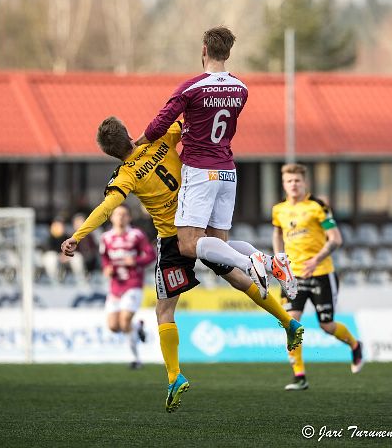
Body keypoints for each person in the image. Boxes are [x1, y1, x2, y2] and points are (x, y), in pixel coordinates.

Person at [61, 116, 304, 412]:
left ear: (108, 152)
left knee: (164, 310)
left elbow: (106, 209)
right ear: (127, 133)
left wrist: (77, 236)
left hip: (172, 240)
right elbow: (188, 122)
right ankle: (287, 320)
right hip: (197, 222)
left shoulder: (124, 175)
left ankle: (175, 376)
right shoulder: (158, 139)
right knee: (234, 272)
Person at [135, 26, 296, 301]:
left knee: (187, 244)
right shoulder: (241, 89)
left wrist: (137, 143)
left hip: (200, 170)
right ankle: (270, 263)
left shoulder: (191, 88)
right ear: (229, 53)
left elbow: (160, 124)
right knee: (217, 245)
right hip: (227, 170)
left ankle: (251, 263)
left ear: (204, 50)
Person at [272, 163, 364, 391]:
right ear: (284, 184)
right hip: (293, 276)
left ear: (304, 183)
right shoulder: (279, 210)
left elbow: (336, 239)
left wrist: (316, 259)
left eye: (297, 181)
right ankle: (300, 376)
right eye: (289, 181)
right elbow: (277, 232)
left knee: (327, 326)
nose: (293, 185)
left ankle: (354, 344)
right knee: (291, 323)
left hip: (322, 273)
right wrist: (278, 257)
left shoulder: (317, 207)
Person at [100, 204, 156, 369]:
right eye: (117, 214)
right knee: (113, 326)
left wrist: (137, 262)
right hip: (115, 286)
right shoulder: (106, 238)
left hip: (133, 284)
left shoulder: (136, 235)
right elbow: (104, 258)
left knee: (124, 321)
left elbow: (151, 255)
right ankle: (138, 326)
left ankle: (136, 359)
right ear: (112, 217)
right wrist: (106, 269)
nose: (120, 217)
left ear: (129, 218)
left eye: (124, 214)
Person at [72, 213, 101, 279]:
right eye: (77, 223)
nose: (80, 225)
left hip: (92, 259)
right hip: (78, 260)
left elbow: (96, 247)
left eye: (82, 222)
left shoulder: (91, 235)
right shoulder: (71, 237)